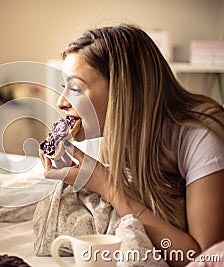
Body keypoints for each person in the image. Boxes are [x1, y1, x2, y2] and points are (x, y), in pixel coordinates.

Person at [39, 24, 224, 267]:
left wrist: (105, 184)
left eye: (75, 88)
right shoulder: (105, 131)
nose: (61, 102)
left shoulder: (202, 135)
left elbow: (198, 256)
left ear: (121, 90)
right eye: (65, 87)